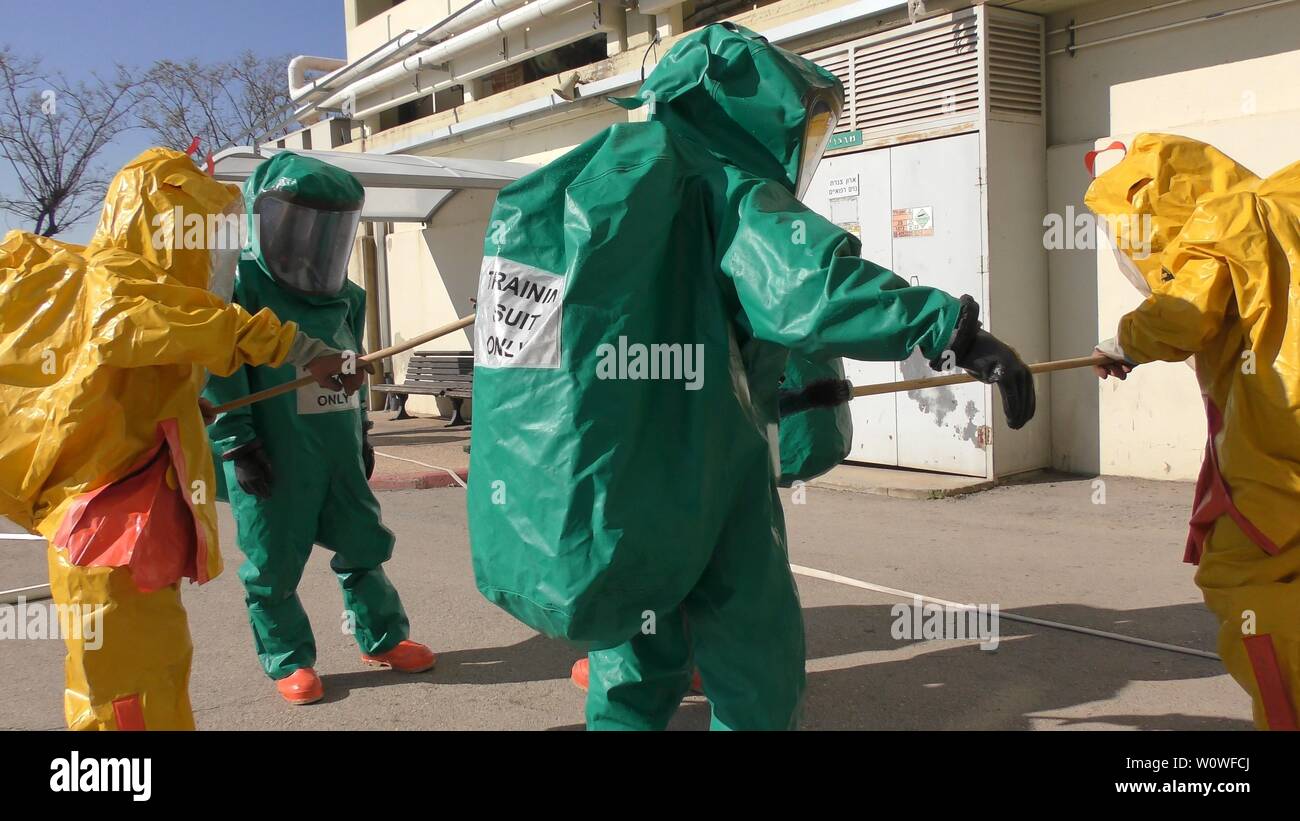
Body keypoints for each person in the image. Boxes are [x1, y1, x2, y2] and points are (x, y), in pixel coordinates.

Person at [468, 23, 1036, 730]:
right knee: (753, 654)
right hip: (710, 463)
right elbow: (811, 286)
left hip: (621, 465)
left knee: (636, 662)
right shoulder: (728, 184)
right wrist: (954, 332)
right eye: (801, 125)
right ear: (749, 113)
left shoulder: (611, 173)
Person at [0, 147, 354, 730]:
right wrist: (303, 350)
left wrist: (186, 407)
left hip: (122, 524)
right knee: (123, 688)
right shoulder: (115, 284)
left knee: (157, 666)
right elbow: (184, 322)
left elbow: (114, 381)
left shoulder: (102, 286)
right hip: (105, 527)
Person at [203, 152, 435, 706]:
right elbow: (221, 370)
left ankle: (382, 637)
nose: (311, 241)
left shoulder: (347, 297)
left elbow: (351, 367)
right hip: (272, 452)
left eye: (327, 228)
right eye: (299, 223)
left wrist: (362, 432)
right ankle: (290, 660)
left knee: (363, 547)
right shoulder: (239, 293)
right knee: (272, 563)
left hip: (336, 450)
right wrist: (237, 444)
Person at [1089, 133, 1299, 730]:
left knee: (1244, 576)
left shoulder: (1227, 218)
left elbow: (1185, 315)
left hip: (1278, 437)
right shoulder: (1288, 197)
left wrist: (1122, 341)